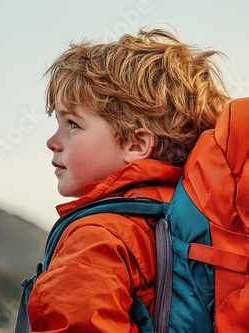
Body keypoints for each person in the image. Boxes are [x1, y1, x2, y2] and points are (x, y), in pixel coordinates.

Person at [27, 28, 231, 332]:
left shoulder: (99, 236)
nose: (52, 141)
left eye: (72, 124)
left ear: (136, 145)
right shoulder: (190, 222)